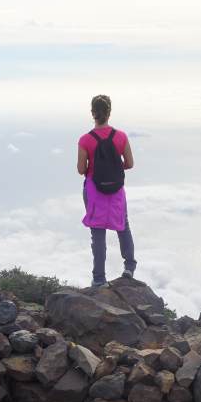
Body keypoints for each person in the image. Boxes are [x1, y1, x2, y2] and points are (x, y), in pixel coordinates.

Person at [77, 94, 136, 288]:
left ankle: (99, 279)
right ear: (109, 112)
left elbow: (80, 169)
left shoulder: (85, 140)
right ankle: (129, 268)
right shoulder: (121, 136)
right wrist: (114, 169)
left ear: (92, 113)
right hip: (117, 190)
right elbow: (129, 163)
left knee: (98, 232)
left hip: (94, 190)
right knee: (123, 226)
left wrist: (95, 169)